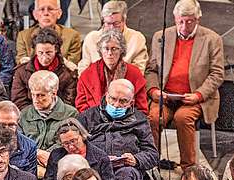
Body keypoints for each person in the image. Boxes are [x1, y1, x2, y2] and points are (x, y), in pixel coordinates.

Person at [145, 0, 224, 168]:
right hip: (165, 96)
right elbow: (151, 70)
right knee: (153, 118)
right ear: (175, 18)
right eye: (180, 21)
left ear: (197, 19)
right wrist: (153, 91)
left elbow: (217, 74)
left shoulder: (212, 39)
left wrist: (198, 95)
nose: (184, 25)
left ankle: (188, 168)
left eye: (189, 21)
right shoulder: (161, 37)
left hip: (195, 97)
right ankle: (151, 164)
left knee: (183, 118)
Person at [76, 29, 148, 116]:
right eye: (106, 49)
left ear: (121, 50)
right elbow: (81, 105)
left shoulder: (135, 74)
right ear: (100, 51)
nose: (110, 53)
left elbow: (141, 108)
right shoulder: (87, 74)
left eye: (114, 49)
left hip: (128, 122)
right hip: (94, 121)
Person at [20, 70, 79, 165]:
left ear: (54, 93)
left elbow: (68, 143)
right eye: (33, 94)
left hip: (59, 163)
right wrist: (37, 153)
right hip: (28, 163)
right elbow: (19, 141)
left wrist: (50, 155)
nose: (35, 100)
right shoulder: (24, 114)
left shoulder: (70, 114)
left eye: (41, 95)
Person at [12, 28, 77, 110]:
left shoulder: (67, 73)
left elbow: (69, 102)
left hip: (59, 116)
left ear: (56, 50)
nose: (44, 57)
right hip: (29, 117)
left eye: (49, 53)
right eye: (40, 53)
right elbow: (19, 101)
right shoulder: (22, 72)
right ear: (35, 51)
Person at [78, 1, 147, 74]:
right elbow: (84, 68)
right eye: (108, 23)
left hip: (125, 83)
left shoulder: (137, 39)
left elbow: (138, 72)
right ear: (103, 21)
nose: (112, 28)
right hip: (94, 83)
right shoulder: (91, 39)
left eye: (116, 24)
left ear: (124, 21)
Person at [16, 0, 82, 66]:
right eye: (41, 9)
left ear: (59, 13)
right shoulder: (23, 36)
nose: (46, 13)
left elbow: (71, 67)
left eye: (50, 9)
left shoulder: (72, 36)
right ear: (35, 14)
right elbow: (22, 64)